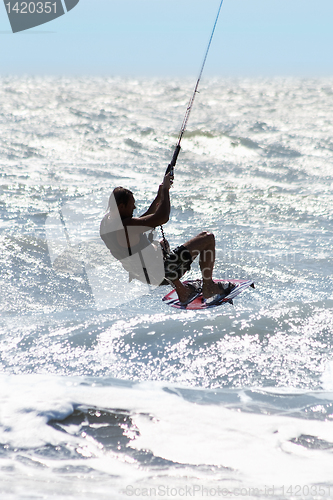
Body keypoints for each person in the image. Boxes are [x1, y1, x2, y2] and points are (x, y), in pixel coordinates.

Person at [100, 173, 234, 305]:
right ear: (121, 207)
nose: (134, 208)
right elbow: (162, 217)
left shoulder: (107, 224)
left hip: (144, 275)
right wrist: (165, 191)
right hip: (163, 272)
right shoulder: (125, 227)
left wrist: (159, 197)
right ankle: (208, 287)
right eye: (131, 205)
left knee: (161, 244)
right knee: (207, 237)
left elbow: (144, 220)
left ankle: (182, 290)